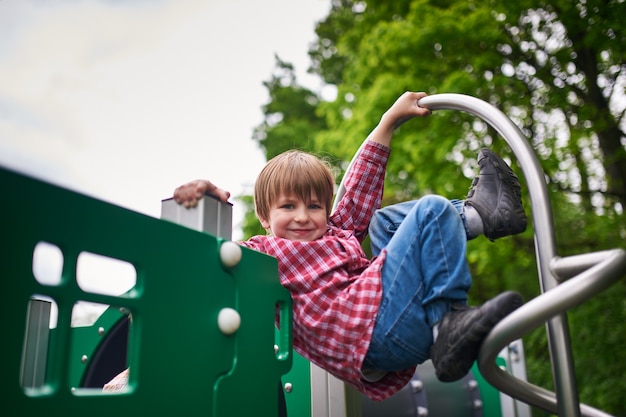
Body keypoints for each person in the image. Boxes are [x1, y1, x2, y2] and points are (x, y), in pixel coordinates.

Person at [109, 91, 527, 400]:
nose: (304, 216)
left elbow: (359, 189)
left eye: (314, 205)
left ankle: (482, 217)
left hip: (390, 319)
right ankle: (449, 319)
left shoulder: (336, 233)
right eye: (288, 206)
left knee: (384, 220)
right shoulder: (263, 255)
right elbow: (208, 268)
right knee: (431, 210)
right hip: (371, 337)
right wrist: (206, 196)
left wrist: (387, 123)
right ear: (265, 215)